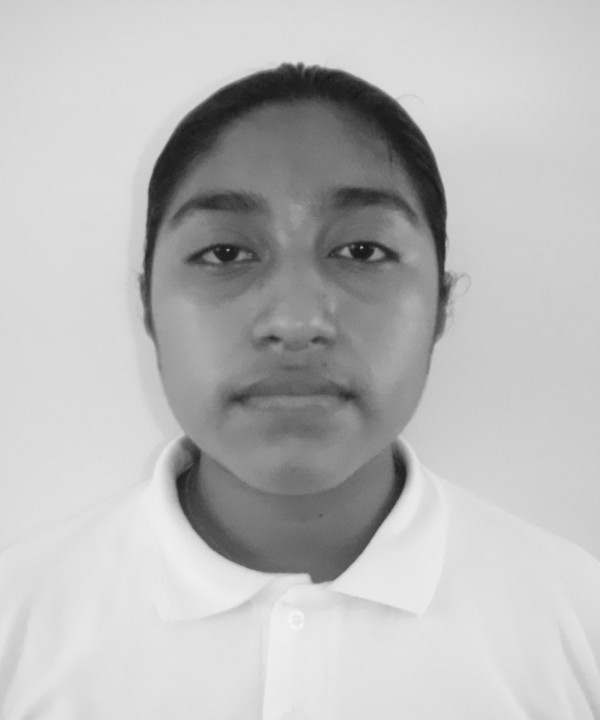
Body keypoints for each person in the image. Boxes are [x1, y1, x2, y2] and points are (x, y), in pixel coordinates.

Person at [1, 62, 599, 719]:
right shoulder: (19, 626)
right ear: (147, 306)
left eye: (363, 250)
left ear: (441, 305)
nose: (295, 322)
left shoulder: (576, 625)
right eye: (225, 254)